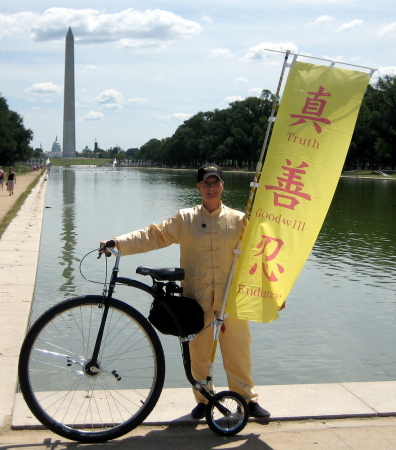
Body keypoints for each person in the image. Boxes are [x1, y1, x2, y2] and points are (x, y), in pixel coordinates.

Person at [100, 164, 270, 420]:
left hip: (230, 300)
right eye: (206, 183)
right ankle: (204, 399)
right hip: (196, 301)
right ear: (199, 187)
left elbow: (261, 256)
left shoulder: (240, 221)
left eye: (216, 182)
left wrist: (273, 293)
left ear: (222, 186)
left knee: (239, 351)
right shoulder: (185, 219)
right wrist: (119, 243)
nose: (211, 187)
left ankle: (246, 399)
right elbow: (153, 235)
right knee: (198, 354)